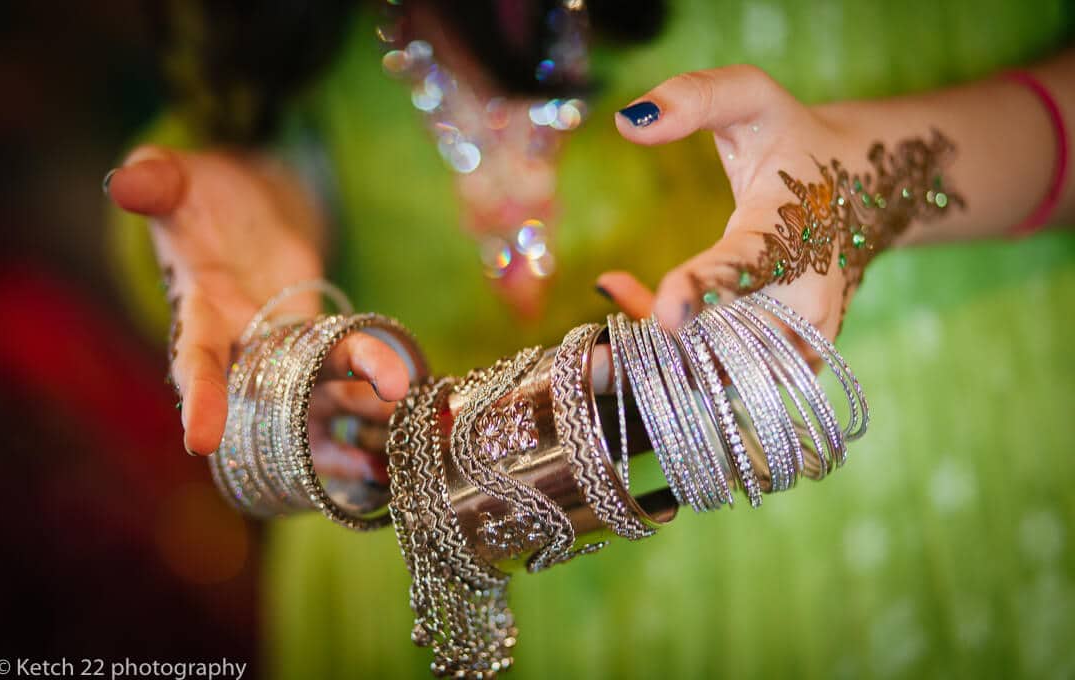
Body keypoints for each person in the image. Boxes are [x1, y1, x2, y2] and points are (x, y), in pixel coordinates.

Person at [106, 1, 1075, 677]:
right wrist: (269, 184)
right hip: (414, 574)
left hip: (897, 538)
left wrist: (868, 178)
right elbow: (267, 103)